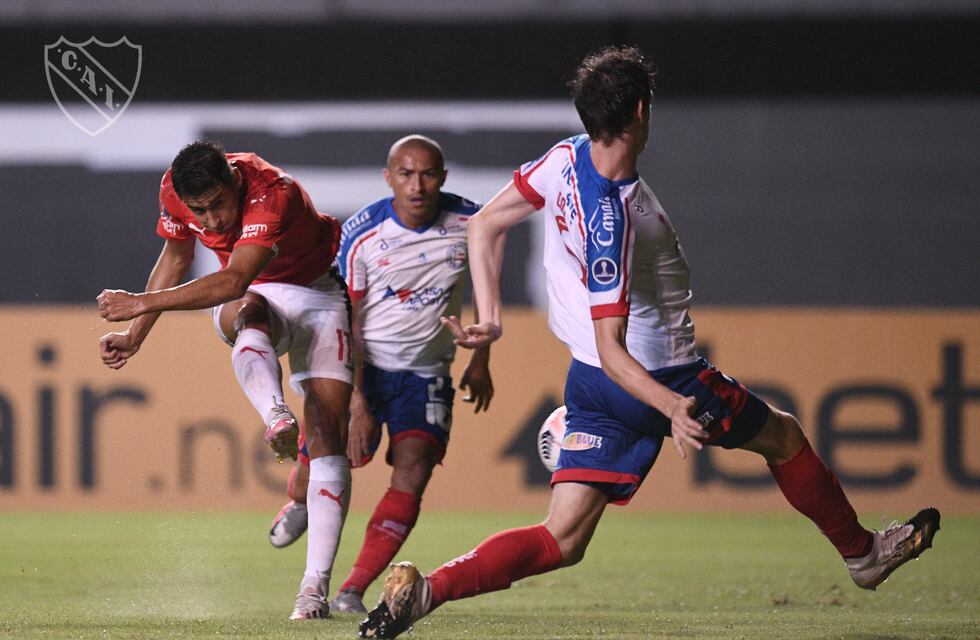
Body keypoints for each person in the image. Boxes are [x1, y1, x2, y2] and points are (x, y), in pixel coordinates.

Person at [357, 46, 941, 638]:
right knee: (784, 436)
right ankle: (863, 556)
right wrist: (672, 409)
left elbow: (484, 223)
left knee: (563, 538)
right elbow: (616, 347)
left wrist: (493, 317)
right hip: (658, 376)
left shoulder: (565, 158)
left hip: (589, 380)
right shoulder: (615, 215)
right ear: (641, 111)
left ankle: (428, 592)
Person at [96, 140, 354, 620]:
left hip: (317, 291)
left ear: (234, 181)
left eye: (218, 204)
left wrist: (139, 303)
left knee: (329, 436)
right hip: (255, 291)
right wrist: (135, 335)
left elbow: (232, 276)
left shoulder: (271, 192)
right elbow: (176, 258)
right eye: (200, 210)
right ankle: (275, 414)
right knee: (249, 311)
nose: (212, 220)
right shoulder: (174, 192)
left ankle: (312, 590)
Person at [267, 135, 493, 614]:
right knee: (319, 460)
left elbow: (485, 292)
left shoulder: (472, 223)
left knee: (414, 470)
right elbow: (349, 314)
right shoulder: (362, 233)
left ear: (443, 178)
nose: (418, 185)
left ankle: (352, 589)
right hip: (364, 368)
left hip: (427, 373)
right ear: (388, 178)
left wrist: (480, 360)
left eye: (428, 174)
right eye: (406, 174)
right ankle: (302, 501)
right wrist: (356, 399)